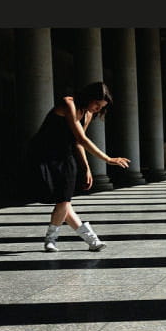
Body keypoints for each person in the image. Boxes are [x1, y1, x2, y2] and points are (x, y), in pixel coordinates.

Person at [28, 82, 130, 252]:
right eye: (97, 104)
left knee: (64, 200)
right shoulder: (69, 103)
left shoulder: (88, 114)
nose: (98, 108)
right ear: (89, 97)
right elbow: (82, 138)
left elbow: (78, 143)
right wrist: (108, 159)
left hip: (65, 156)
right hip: (44, 155)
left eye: (101, 106)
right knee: (63, 201)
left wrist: (87, 167)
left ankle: (70, 239)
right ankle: (86, 239)